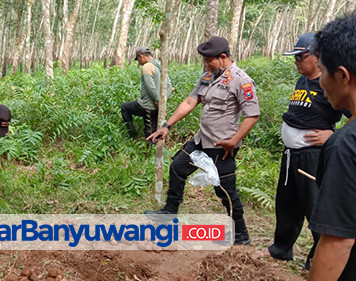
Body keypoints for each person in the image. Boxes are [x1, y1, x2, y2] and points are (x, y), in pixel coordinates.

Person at [144, 37, 260, 245]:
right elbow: (190, 101)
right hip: (201, 139)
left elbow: (252, 115)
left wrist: (234, 141)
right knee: (178, 167)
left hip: (222, 146)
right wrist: (166, 126)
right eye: (204, 60)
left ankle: (240, 234)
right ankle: (170, 212)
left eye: (209, 60)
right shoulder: (208, 76)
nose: (206, 64)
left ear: (223, 57)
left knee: (225, 189)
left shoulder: (241, 80)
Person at [260, 33, 350, 270]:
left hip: (312, 155)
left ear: (316, 56)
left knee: (315, 207)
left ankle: (317, 259)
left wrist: (332, 135)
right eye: (295, 57)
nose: (297, 62)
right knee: (287, 203)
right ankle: (281, 248)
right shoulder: (303, 80)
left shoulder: (330, 82)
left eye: (301, 57)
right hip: (292, 155)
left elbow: (352, 115)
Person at [306, 14, 356, 281]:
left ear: (342, 75)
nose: (321, 82)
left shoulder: (345, 144)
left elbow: (338, 241)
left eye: (322, 71)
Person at [121, 46, 172, 141]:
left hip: (147, 105)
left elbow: (150, 87)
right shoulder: (160, 65)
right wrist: (162, 103)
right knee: (152, 131)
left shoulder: (147, 66)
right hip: (157, 107)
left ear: (141, 56)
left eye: (138, 59)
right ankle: (152, 149)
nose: (139, 62)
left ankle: (133, 137)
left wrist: (157, 101)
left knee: (124, 107)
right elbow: (169, 86)